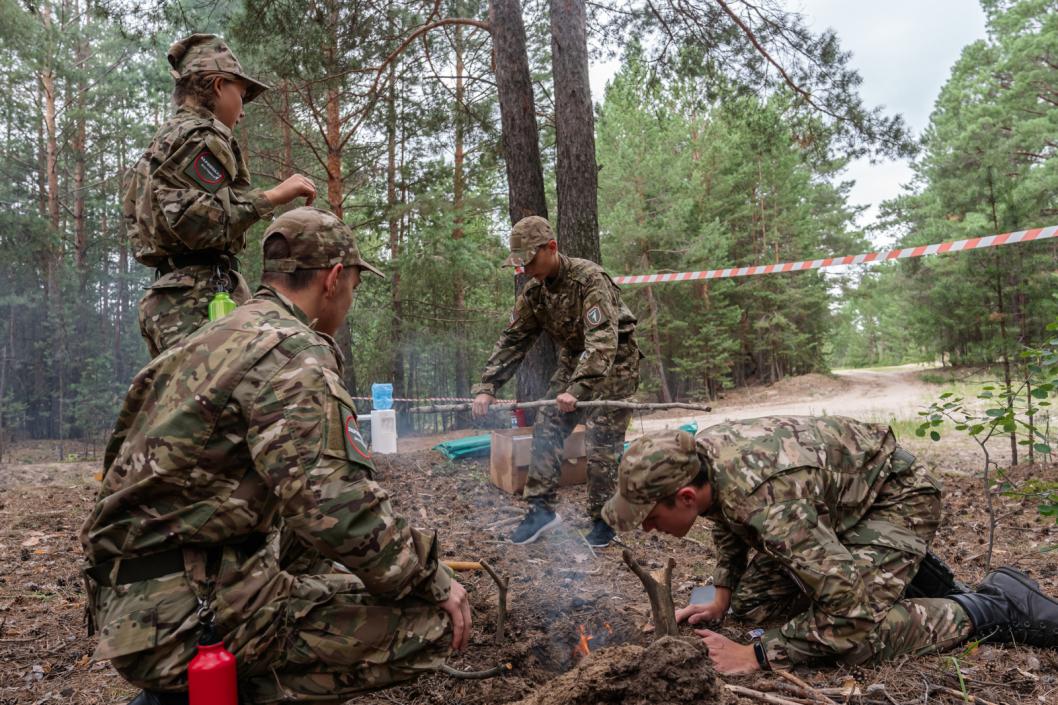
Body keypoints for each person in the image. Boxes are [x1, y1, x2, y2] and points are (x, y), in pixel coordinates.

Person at [81, 207, 471, 705]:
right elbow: (334, 505)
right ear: (333, 279)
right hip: (181, 618)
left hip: (130, 596)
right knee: (433, 621)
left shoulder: (212, 336)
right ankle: (204, 691)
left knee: (310, 552)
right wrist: (432, 577)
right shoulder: (294, 355)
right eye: (353, 283)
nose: (350, 296)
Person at [602, 415, 1058, 673]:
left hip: (895, 498)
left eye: (649, 518)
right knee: (754, 604)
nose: (647, 530)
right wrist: (721, 592)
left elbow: (849, 613)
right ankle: (894, 570)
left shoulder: (771, 505)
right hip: (834, 506)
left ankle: (990, 606)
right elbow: (723, 517)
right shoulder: (702, 461)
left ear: (683, 496)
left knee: (848, 638)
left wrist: (758, 653)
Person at [126, 33, 317, 358]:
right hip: (197, 300)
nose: (242, 111)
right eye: (241, 95)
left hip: (174, 296)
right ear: (218, 85)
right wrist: (272, 196)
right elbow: (193, 221)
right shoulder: (203, 136)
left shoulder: (164, 140)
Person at [471, 216, 641, 547]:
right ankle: (541, 511)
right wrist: (487, 386)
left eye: (530, 260)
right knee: (548, 422)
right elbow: (513, 340)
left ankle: (603, 521)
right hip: (576, 357)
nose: (525, 269)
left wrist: (577, 391)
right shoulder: (534, 292)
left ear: (552, 248)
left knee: (602, 441)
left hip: (615, 360)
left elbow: (603, 343)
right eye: (520, 264)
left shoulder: (590, 280)